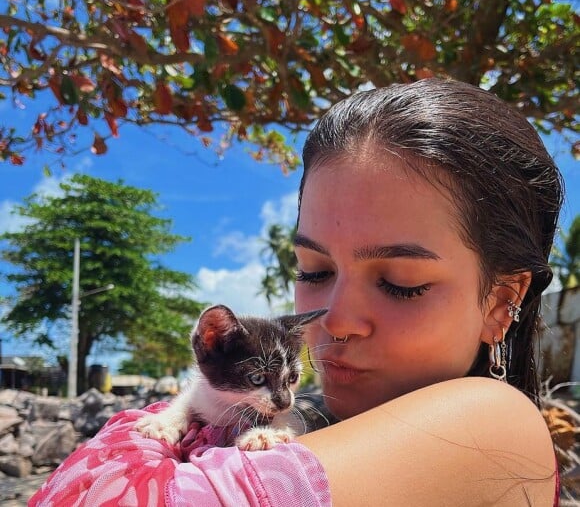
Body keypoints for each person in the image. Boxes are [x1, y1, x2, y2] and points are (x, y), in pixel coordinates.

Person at [31, 78, 563, 506]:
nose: (335, 320)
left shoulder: (491, 425)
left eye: (401, 284)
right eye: (313, 272)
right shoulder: (305, 423)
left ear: (498, 302)